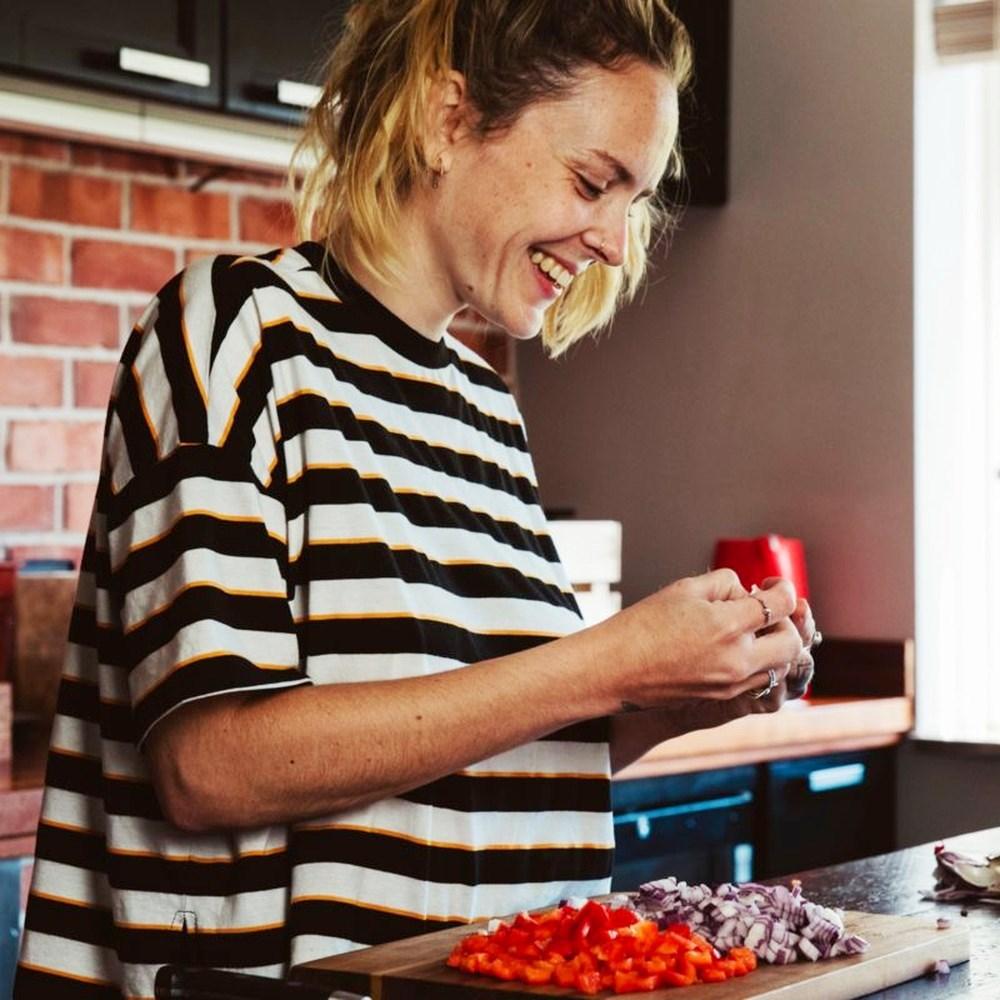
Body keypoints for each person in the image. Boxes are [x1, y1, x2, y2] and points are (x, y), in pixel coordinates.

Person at [14, 2, 817, 998]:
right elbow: (212, 765)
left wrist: (672, 694)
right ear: (449, 119)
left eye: (633, 200)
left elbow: (484, 748)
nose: (615, 241)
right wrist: (606, 662)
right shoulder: (232, 333)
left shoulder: (484, 410)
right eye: (591, 181)